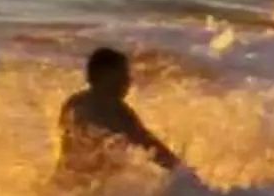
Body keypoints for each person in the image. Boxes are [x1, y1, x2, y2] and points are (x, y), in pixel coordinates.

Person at [54, 47, 184, 184]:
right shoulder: (115, 110)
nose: (128, 81)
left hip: (63, 185)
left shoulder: (74, 102)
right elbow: (150, 145)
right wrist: (183, 174)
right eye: (123, 74)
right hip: (91, 192)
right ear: (106, 76)